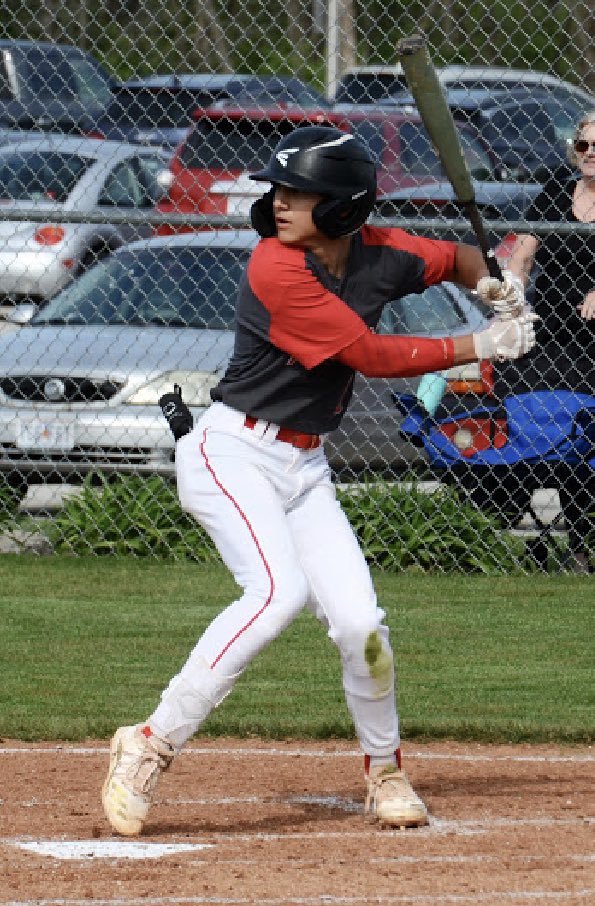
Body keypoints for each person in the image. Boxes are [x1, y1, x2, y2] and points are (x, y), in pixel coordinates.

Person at [102, 125, 536, 836]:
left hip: (303, 467)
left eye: (302, 193)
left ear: (344, 206)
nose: (281, 203)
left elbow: (456, 257)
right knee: (276, 594)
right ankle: (149, 743)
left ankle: (385, 769)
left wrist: (494, 280)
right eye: (281, 190)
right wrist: (482, 341)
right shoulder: (276, 268)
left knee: (362, 626)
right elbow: (367, 352)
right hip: (231, 454)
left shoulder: (382, 252)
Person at [502, 110, 595, 572]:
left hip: (594, 334)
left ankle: (581, 535)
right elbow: (523, 254)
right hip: (554, 326)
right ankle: (549, 531)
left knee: (587, 432)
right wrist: (513, 299)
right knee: (551, 424)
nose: (590, 153)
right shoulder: (556, 189)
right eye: (583, 145)